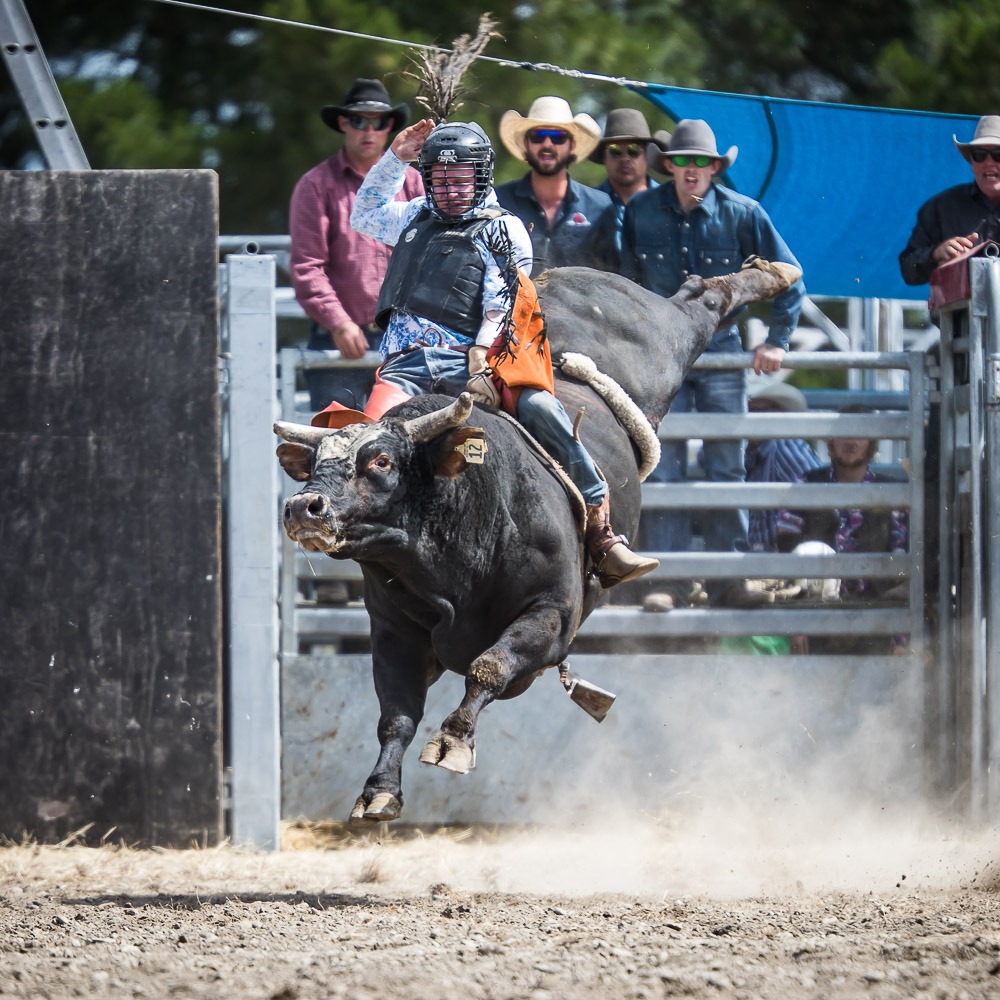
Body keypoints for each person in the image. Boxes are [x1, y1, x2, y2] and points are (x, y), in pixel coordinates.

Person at [347, 117, 657, 589]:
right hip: (405, 367)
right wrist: (395, 159)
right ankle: (344, 528)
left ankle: (600, 526)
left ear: (481, 176)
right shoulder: (413, 216)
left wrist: (479, 360)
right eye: (441, 178)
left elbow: (503, 302)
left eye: (461, 177)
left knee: (540, 409)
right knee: (364, 445)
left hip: (476, 361)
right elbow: (363, 215)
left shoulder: (504, 228)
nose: (450, 188)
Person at [619, 119, 806, 611]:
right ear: (669, 166)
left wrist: (777, 339)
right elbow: (624, 281)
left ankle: (728, 578)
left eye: (702, 161)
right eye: (683, 160)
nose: (692, 169)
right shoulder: (640, 211)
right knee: (662, 468)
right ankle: (668, 582)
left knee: (727, 464)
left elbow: (789, 276)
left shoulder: (744, 213)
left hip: (721, 348)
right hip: (660, 352)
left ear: (716, 167)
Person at [289, 79, 424, 412]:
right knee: (337, 443)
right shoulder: (316, 186)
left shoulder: (414, 181)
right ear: (343, 124)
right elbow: (307, 266)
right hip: (340, 339)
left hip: (404, 339)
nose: (368, 130)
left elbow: (427, 256)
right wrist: (339, 322)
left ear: (390, 126)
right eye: (358, 121)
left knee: (407, 444)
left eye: (378, 122)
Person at [775, 407, 909, 655]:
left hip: (875, 619)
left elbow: (901, 569)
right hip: (815, 621)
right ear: (831, 441)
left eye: (859, 434)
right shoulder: (805, 486)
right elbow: (788, 560)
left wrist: (899, 637)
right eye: (843, 433)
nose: (851, 441)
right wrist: (796, 626)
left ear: (871, 443)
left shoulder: (891, 494)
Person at [495, 96, 618, 271]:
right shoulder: (499, 203)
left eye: (558, 137)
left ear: (572, 145)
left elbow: (614, 277)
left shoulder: (600, 206)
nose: (547, 144)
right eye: (538, 136)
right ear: (526, 143)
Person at [899, 114, 1000, 287]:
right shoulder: (940, 207)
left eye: (998, 154)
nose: (989, 162)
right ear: (971, 163)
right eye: (980, 154)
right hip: (957, 312)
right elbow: (908, 270)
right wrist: (936, 254)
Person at [744, 376, 824, 553]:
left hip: (780, 563)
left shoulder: (784, 448)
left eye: (757, 411)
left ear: (779, 413)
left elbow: (823, 500)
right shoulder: (750, 451)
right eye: (744, 412)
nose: (749, 419)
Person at [588, 109, 667, 251]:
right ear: (604, 157)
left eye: (634, 150)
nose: (625, 159)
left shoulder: (669, 204)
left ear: (648, 156)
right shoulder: (589, 205)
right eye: (615, 151)